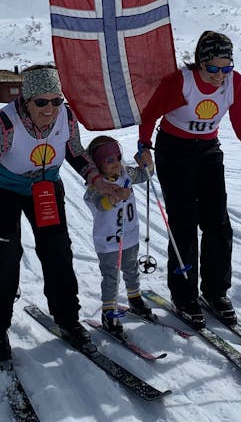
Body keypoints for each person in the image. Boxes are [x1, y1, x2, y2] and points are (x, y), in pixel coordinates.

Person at [0, 64, 127, 365]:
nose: (50, 109)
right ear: (26, 100)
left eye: (56, 100)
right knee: (6, 256)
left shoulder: (66, 117)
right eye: (41, 102)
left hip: (45, 187)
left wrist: (96, 179)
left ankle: (67, 318)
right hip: (1, 189)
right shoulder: (6, 126)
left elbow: (74, 152)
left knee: (58, 251)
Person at [135, 31, 241, 328]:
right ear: (200, 63)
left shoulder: (235, 83)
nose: (220, 75)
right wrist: (144, 147)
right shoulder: (179, 82)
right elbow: (149, 114)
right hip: (174, 151)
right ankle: (183, 296)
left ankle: (215, 292)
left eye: (226, 67)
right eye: (213, 68)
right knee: (183, 224)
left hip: (207, 152)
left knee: (217, 223)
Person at [83, 136, 155, 336]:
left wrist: (147, 163)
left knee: (132, 269)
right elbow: (99, 204)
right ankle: (109, 311)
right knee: (111, 277)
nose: (115, 163)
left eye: (117, 157)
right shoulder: (94, 186)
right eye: (108, 160)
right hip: (108, 242)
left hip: (130, 235)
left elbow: (146, 175)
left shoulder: (126, 173)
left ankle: (134, 297)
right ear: (97, 163)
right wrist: (113, 198)